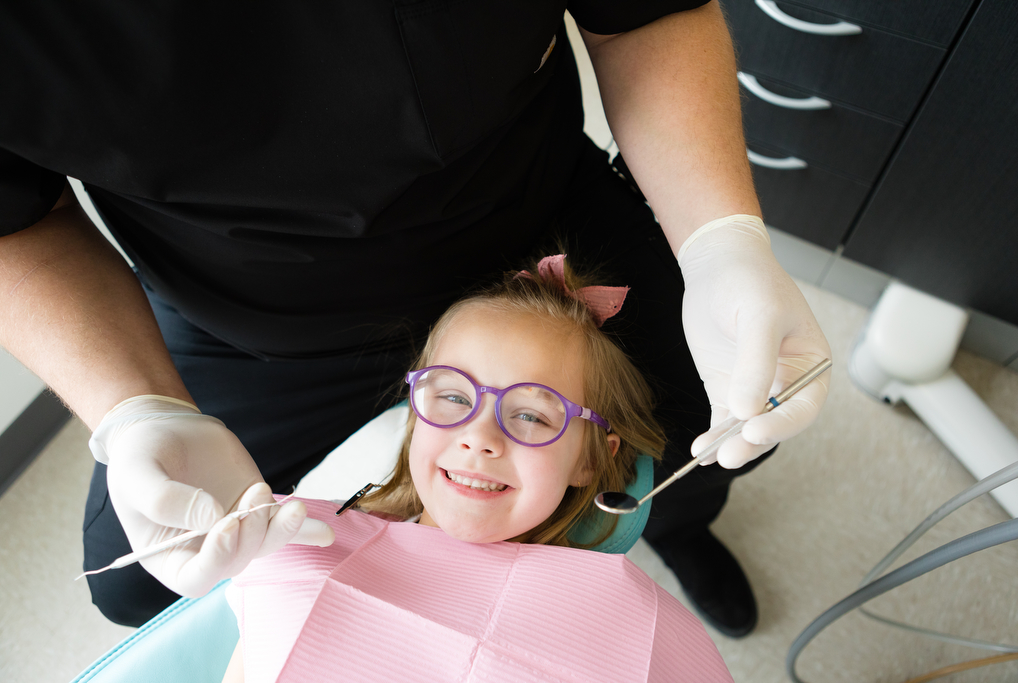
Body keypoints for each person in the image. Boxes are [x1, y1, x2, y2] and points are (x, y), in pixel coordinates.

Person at [0, 1, 831, 635]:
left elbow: (643, 15)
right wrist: (133, 406)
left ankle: (674, 525)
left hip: (533, 237)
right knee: (136, 583)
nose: (475, 437)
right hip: (246, 317)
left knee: (710, 427)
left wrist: (721, 240)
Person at [220, 257, 732, 683]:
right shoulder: (301, 551)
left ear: (589, 457)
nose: (480, 438)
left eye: (531, 415)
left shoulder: (632, 628)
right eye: (453, 396)